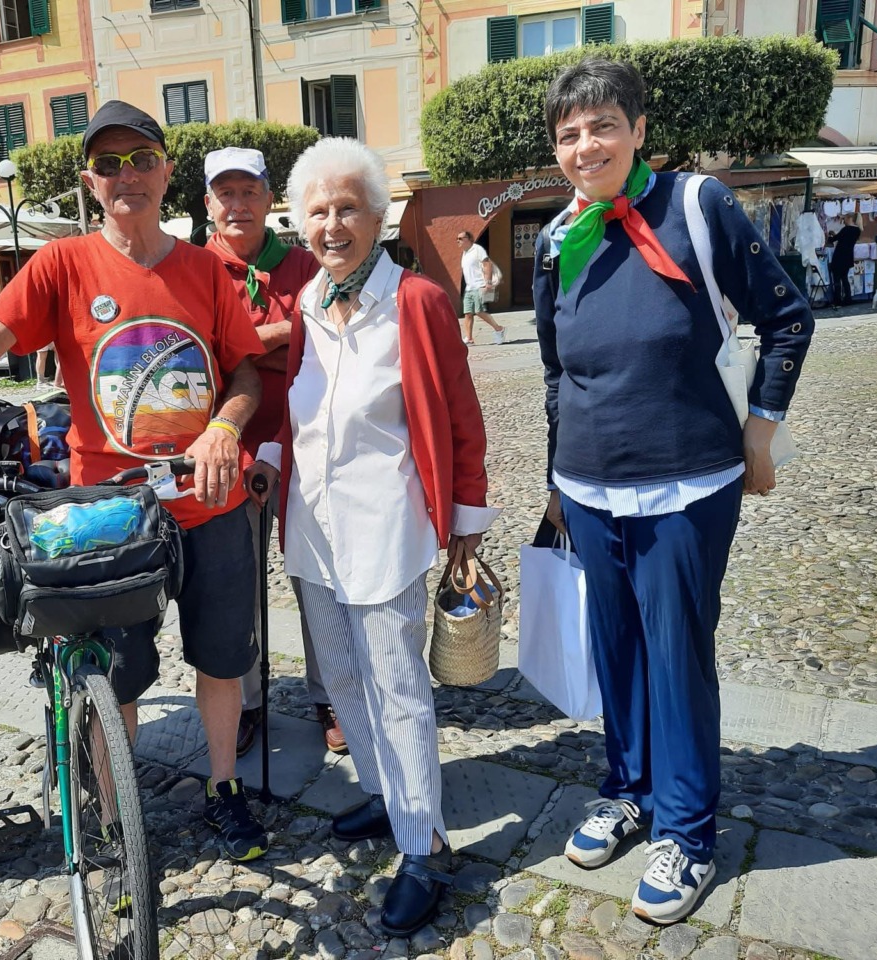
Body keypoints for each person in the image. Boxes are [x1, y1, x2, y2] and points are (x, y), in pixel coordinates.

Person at [0, 100, 272, 863]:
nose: (126, 175)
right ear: (89, 181)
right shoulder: (61, 265)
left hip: (212, 501)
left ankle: (224, 787)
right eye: (108, 164)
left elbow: (244, 372)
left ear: (167, 170)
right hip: (111, 511)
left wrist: (226, 427)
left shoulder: (204, 269)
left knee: (224, 658)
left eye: (141, 159)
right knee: (118, 674)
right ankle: (116, 810)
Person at [533, 58, 813, 925]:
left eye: (604, 125)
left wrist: (762, 426)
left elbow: (788, 316)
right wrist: (552, 482)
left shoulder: (699, 205)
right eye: (571, 133)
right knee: (614, 651)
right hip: (587, 485)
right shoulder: (556, 240)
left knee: (675, 653)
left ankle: (687, 831)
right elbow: (554, 372)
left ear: (639, 129)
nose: (588, 146)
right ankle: (629, 789)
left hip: (688, 484)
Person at [246, 138, 499, 937]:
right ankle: (388, 799)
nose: (331, 224)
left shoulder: (417, 299)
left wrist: (465, 516)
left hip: (387, 527)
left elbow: (460, 415)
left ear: (380, 214)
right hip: (313, 528)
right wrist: (268, 459)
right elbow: (296, 403)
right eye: (316, 210)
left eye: (347, 207)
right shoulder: (307, 307)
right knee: (341, 681)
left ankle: (424, 846)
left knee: (397, 690)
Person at [200, 145, 347, 757]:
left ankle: (330, 693)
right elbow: (198, 353)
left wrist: (252, 341)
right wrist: (282, 334)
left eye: (249, 191)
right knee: (237, 584)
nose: (238, 204)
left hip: (306, 440)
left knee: (319, 574)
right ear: (209, 204)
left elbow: (332, 333)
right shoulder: (191, 268)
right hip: (224, 445)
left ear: (268, 199)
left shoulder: (307, 265)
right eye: (225, 193)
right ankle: (247, 701)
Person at [456, 231, 506, 345]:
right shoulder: (465, 253)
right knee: (468, 313)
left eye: (460, 238)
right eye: (457, 239)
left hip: (479, 285)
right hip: (469, 287)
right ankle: (469, 338)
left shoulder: (477, 249)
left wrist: (487, 282)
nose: (458, 241)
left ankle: (499, 329)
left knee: (479, 311)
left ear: (468, 239)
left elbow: (487, 264)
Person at [827, 211, 862, 311]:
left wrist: (831, 236)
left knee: (837, 279)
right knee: (845, 278)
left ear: (849, 218)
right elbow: (842, 238)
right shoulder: (857, 230)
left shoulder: (846, 229)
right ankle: (848, 298)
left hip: (839, 256)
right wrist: (836, 235)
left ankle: (837, 300)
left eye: (845, 219)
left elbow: (834, 240)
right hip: (848, 256)